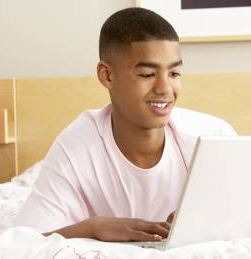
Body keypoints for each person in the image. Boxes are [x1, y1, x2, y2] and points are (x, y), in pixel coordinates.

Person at [13, 7, 235, 242]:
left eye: (174, 73)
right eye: (147, 75)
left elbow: (249, 222)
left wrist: (204, 222)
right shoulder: (76, 147)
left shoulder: (214, 137)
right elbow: (21, 244)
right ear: (107, 76)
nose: (165, 89)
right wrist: (93, 228)